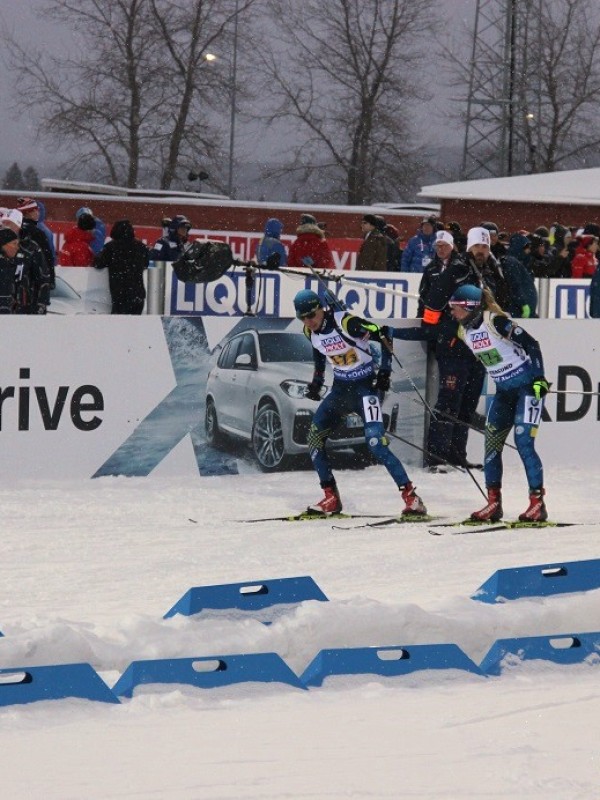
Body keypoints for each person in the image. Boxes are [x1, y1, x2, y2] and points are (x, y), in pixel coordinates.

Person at [294, 288, 427, 517]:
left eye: (312, 315)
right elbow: (319, 352)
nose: (309, 321)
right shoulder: (310, 331)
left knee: (376, 443)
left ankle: (412, 498)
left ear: (321, 309)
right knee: (315, 438)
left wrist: (384, 371)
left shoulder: (346, 323)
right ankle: (331, 498)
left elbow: (384, 333)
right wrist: (316, 382)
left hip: (365, 390)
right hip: (340, 392)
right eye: (303, 317)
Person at [448, 284, 549, 522]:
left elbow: (532, 344)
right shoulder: (464, 331)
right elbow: (434, 334)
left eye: (455, 308)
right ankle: (494, 503)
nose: (452, 313)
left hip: (527, 389)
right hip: (504, 392)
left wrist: (539, 378)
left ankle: (537, 504)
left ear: (470, 307)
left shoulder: (494, 322)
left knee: (524, 443)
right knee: (491, 447)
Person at [393, 229, 485, 471]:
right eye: (478, 248)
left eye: (485, 248)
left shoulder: (484, 268)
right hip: (454, 347)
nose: (482, 252)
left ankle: (457, 456)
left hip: (476, 348)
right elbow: (431, 301)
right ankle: (436, 457)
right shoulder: (456, 269)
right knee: (448, 403)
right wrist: (434, 332)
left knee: (467, 404)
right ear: (467, 248)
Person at [94, 219, 150, 314]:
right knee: (136, 325)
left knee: (118, 325)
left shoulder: (110, 247)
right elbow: (146, 264)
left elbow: (98, 264)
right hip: (138, 293)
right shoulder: (141, 247)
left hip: (120, 294)